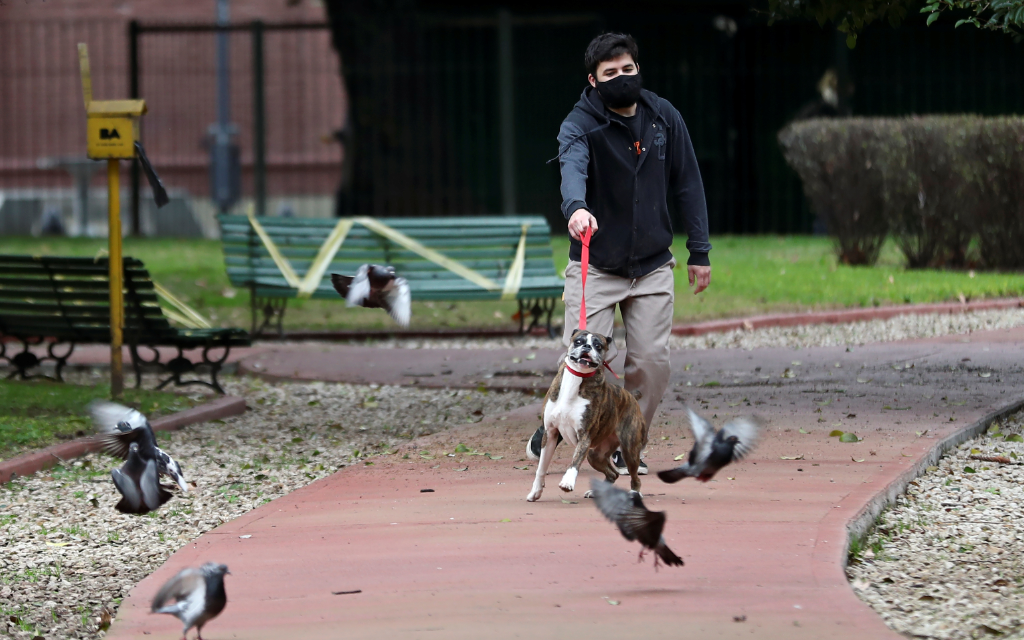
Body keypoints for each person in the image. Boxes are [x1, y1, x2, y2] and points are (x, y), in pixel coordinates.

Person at [526, 33, 712, 475]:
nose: (622, 78)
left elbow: (688, 182)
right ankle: (554, 427)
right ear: (593, 80)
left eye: (628, 69)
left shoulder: (663, 117)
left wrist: (699, 250)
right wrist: (577, 209)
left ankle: (620, 445)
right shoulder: (579, 124)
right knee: (584, 361)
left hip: (652, 264)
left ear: (638, 69)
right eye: (610, 73)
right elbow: (572, 169)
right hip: (595, 264)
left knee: (652, 365)